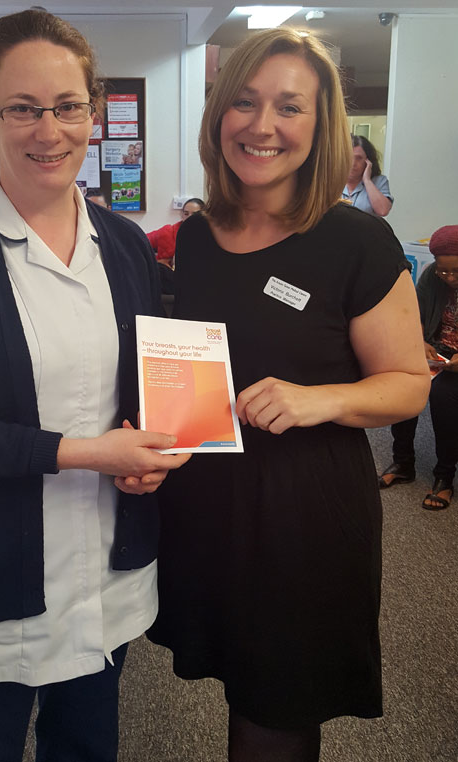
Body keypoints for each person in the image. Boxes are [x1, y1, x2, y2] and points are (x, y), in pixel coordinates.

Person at [0, 10, 189, 762]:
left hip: (102, 569)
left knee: (87, 748)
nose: (47, 130)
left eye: (67, 106)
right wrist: (93, 453)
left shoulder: (121, 244)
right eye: (22, 108)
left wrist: (151, 448)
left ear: (92, 108)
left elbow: (142, 383)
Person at [146, 28, 430, 762]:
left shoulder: (358, 242)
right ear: (219, 117)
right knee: (237, 677)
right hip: (212, 508)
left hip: (305, 519)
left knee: (278, 708)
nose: (262, 125)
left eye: (289, 106)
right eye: (244, 101)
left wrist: (321, 399)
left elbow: (408, 384)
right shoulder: (197, 237)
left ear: (321, 123)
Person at [379, 225, 458, 510]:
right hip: (438, 353)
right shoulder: (430, 277)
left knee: (443, 397)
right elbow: (414, 317)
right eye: (443, 271)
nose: (449, 278)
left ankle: (444, 477)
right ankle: (403, 463)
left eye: (456, 271)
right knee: (403, 382)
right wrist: (420, 342)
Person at [342, 134, 393, 217]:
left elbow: (383, 210)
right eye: (349, 157)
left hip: (368, 230)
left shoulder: (379, 181)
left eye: (358, 158)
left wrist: (367, 180)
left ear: (368, 161)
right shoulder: (332, 183)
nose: (353, 163)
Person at [146, 197, 205, 267]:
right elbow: (139, 241)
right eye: (186, 214)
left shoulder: (210, 236)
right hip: (167, 275)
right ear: (182, 215)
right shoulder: (168, 232)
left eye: (195, 214)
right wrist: (161, 263)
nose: (189, 218)